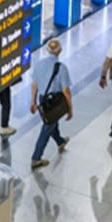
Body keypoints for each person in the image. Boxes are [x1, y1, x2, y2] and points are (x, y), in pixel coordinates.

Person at [27, 39, 73, 169]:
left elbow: (34, 84)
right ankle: (36, 158)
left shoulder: (39, 64)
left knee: (51, 122)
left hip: (42, 99)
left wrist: (33, 101)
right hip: (55, 101)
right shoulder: (62, 68)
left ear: (48, 50)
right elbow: (66, 90)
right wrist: (70, 108)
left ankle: (60, 141)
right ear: (60, 50)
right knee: (47, 128)